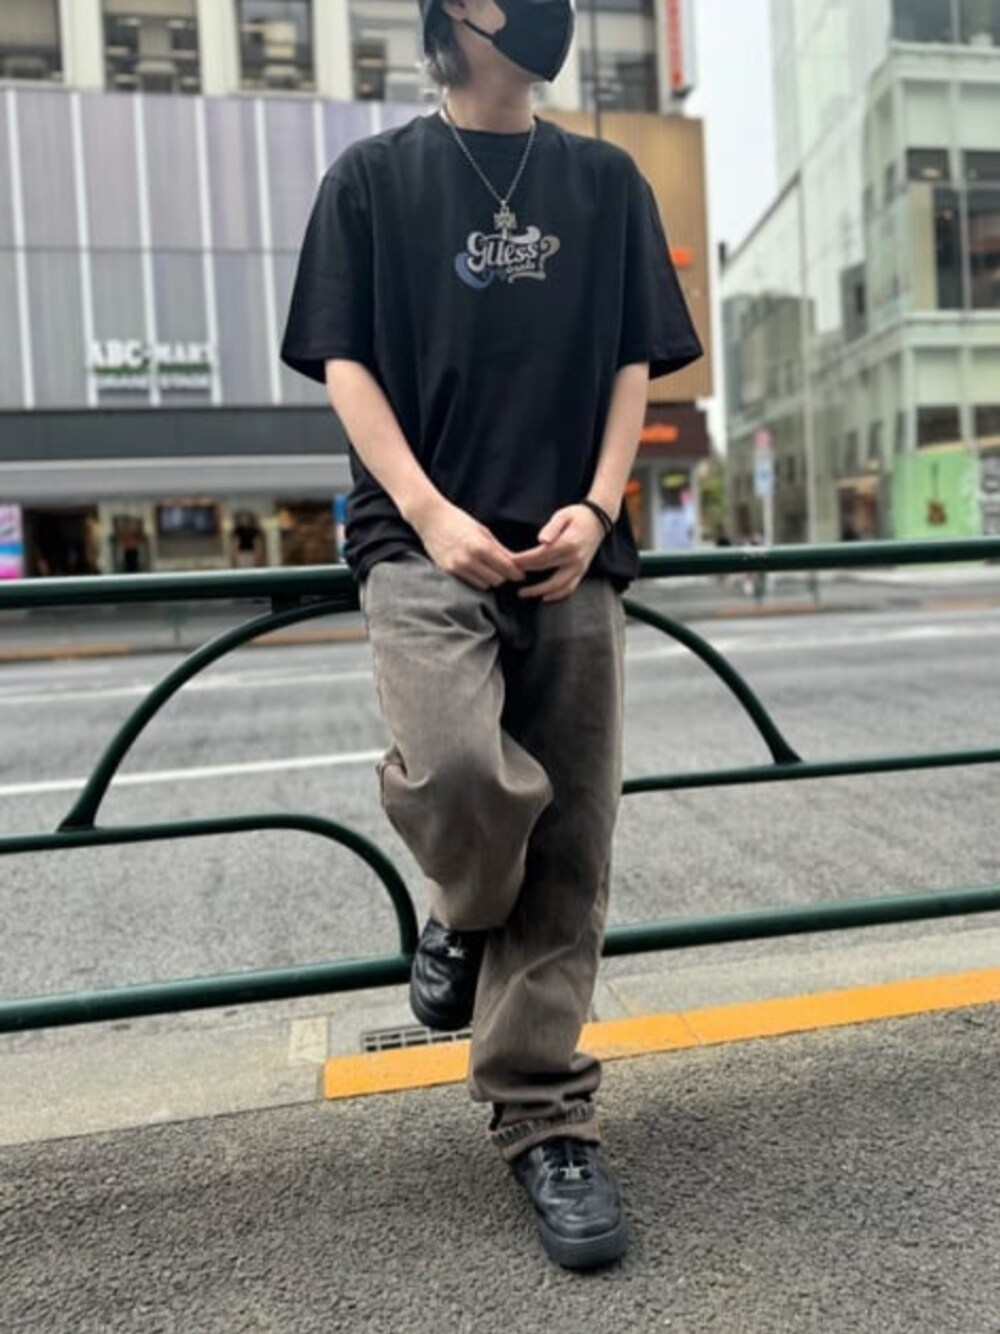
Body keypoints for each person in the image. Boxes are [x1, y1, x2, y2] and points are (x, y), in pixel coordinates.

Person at [280, 0, 702, 1270]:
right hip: (420, 541)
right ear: (451, 14)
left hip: (572, 543)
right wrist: (427, 511)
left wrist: (602, 502)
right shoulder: (371, 180)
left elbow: (632, 358)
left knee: (570, 835)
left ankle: (544, 1115)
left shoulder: (606, 182)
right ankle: (463, 909)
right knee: (459, 762)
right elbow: (343, 362)